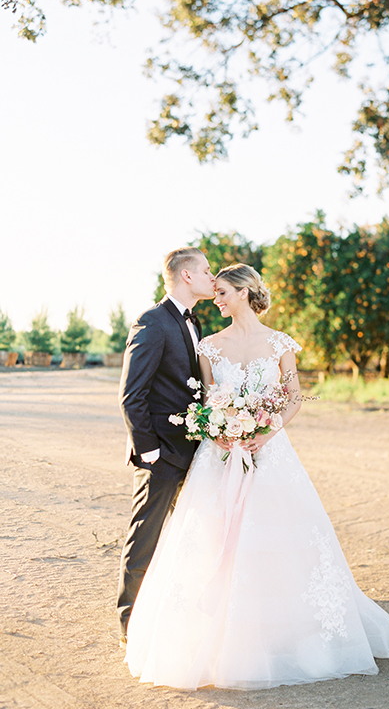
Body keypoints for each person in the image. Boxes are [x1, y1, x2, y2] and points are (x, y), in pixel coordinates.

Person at [125, 263, 389, 689]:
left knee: (282, 536)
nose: (216, 300)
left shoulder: (280, 343)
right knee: (214, 538)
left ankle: (286, 630)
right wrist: (220, 429)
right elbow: (209, 401)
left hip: (270, 454)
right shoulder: (210, 347)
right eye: (213, 293)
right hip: (221, 457)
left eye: (222, 293)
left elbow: (293, 398)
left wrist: (266, 431)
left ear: (243, 291)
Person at [117, 247, 215, 647]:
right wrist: (150, 450)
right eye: (207, 271)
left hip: (194, 451)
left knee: (192, 537)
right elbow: (131, 394)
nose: (213, 277)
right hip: (162, 455)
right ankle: (130, 624)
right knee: (146, 536)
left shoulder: (195, 323)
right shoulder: (152, 322)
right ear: (186, 276)